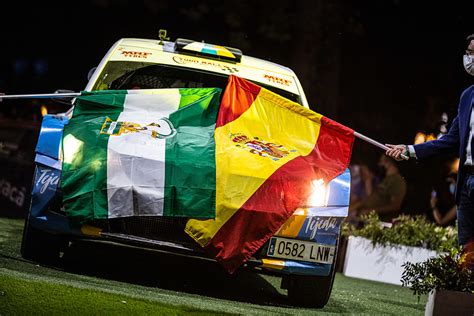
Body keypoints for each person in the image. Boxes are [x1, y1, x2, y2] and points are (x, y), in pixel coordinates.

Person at [386, 33, 474, 267]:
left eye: (473, 52)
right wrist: (410, 150)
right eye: (468, 53)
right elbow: (450, 140)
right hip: (466, 182)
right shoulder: (467, 96)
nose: (469, 58)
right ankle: (465, 295)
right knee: (466, 244)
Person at [349, 154, 407, 222]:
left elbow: (395, 206)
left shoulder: (397, 180)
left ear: (389, 163)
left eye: (381, 162)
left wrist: (371, 210)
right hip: (364, 217)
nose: (379, 164)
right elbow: (372, 198)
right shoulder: (386, 179)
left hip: (380, 222)